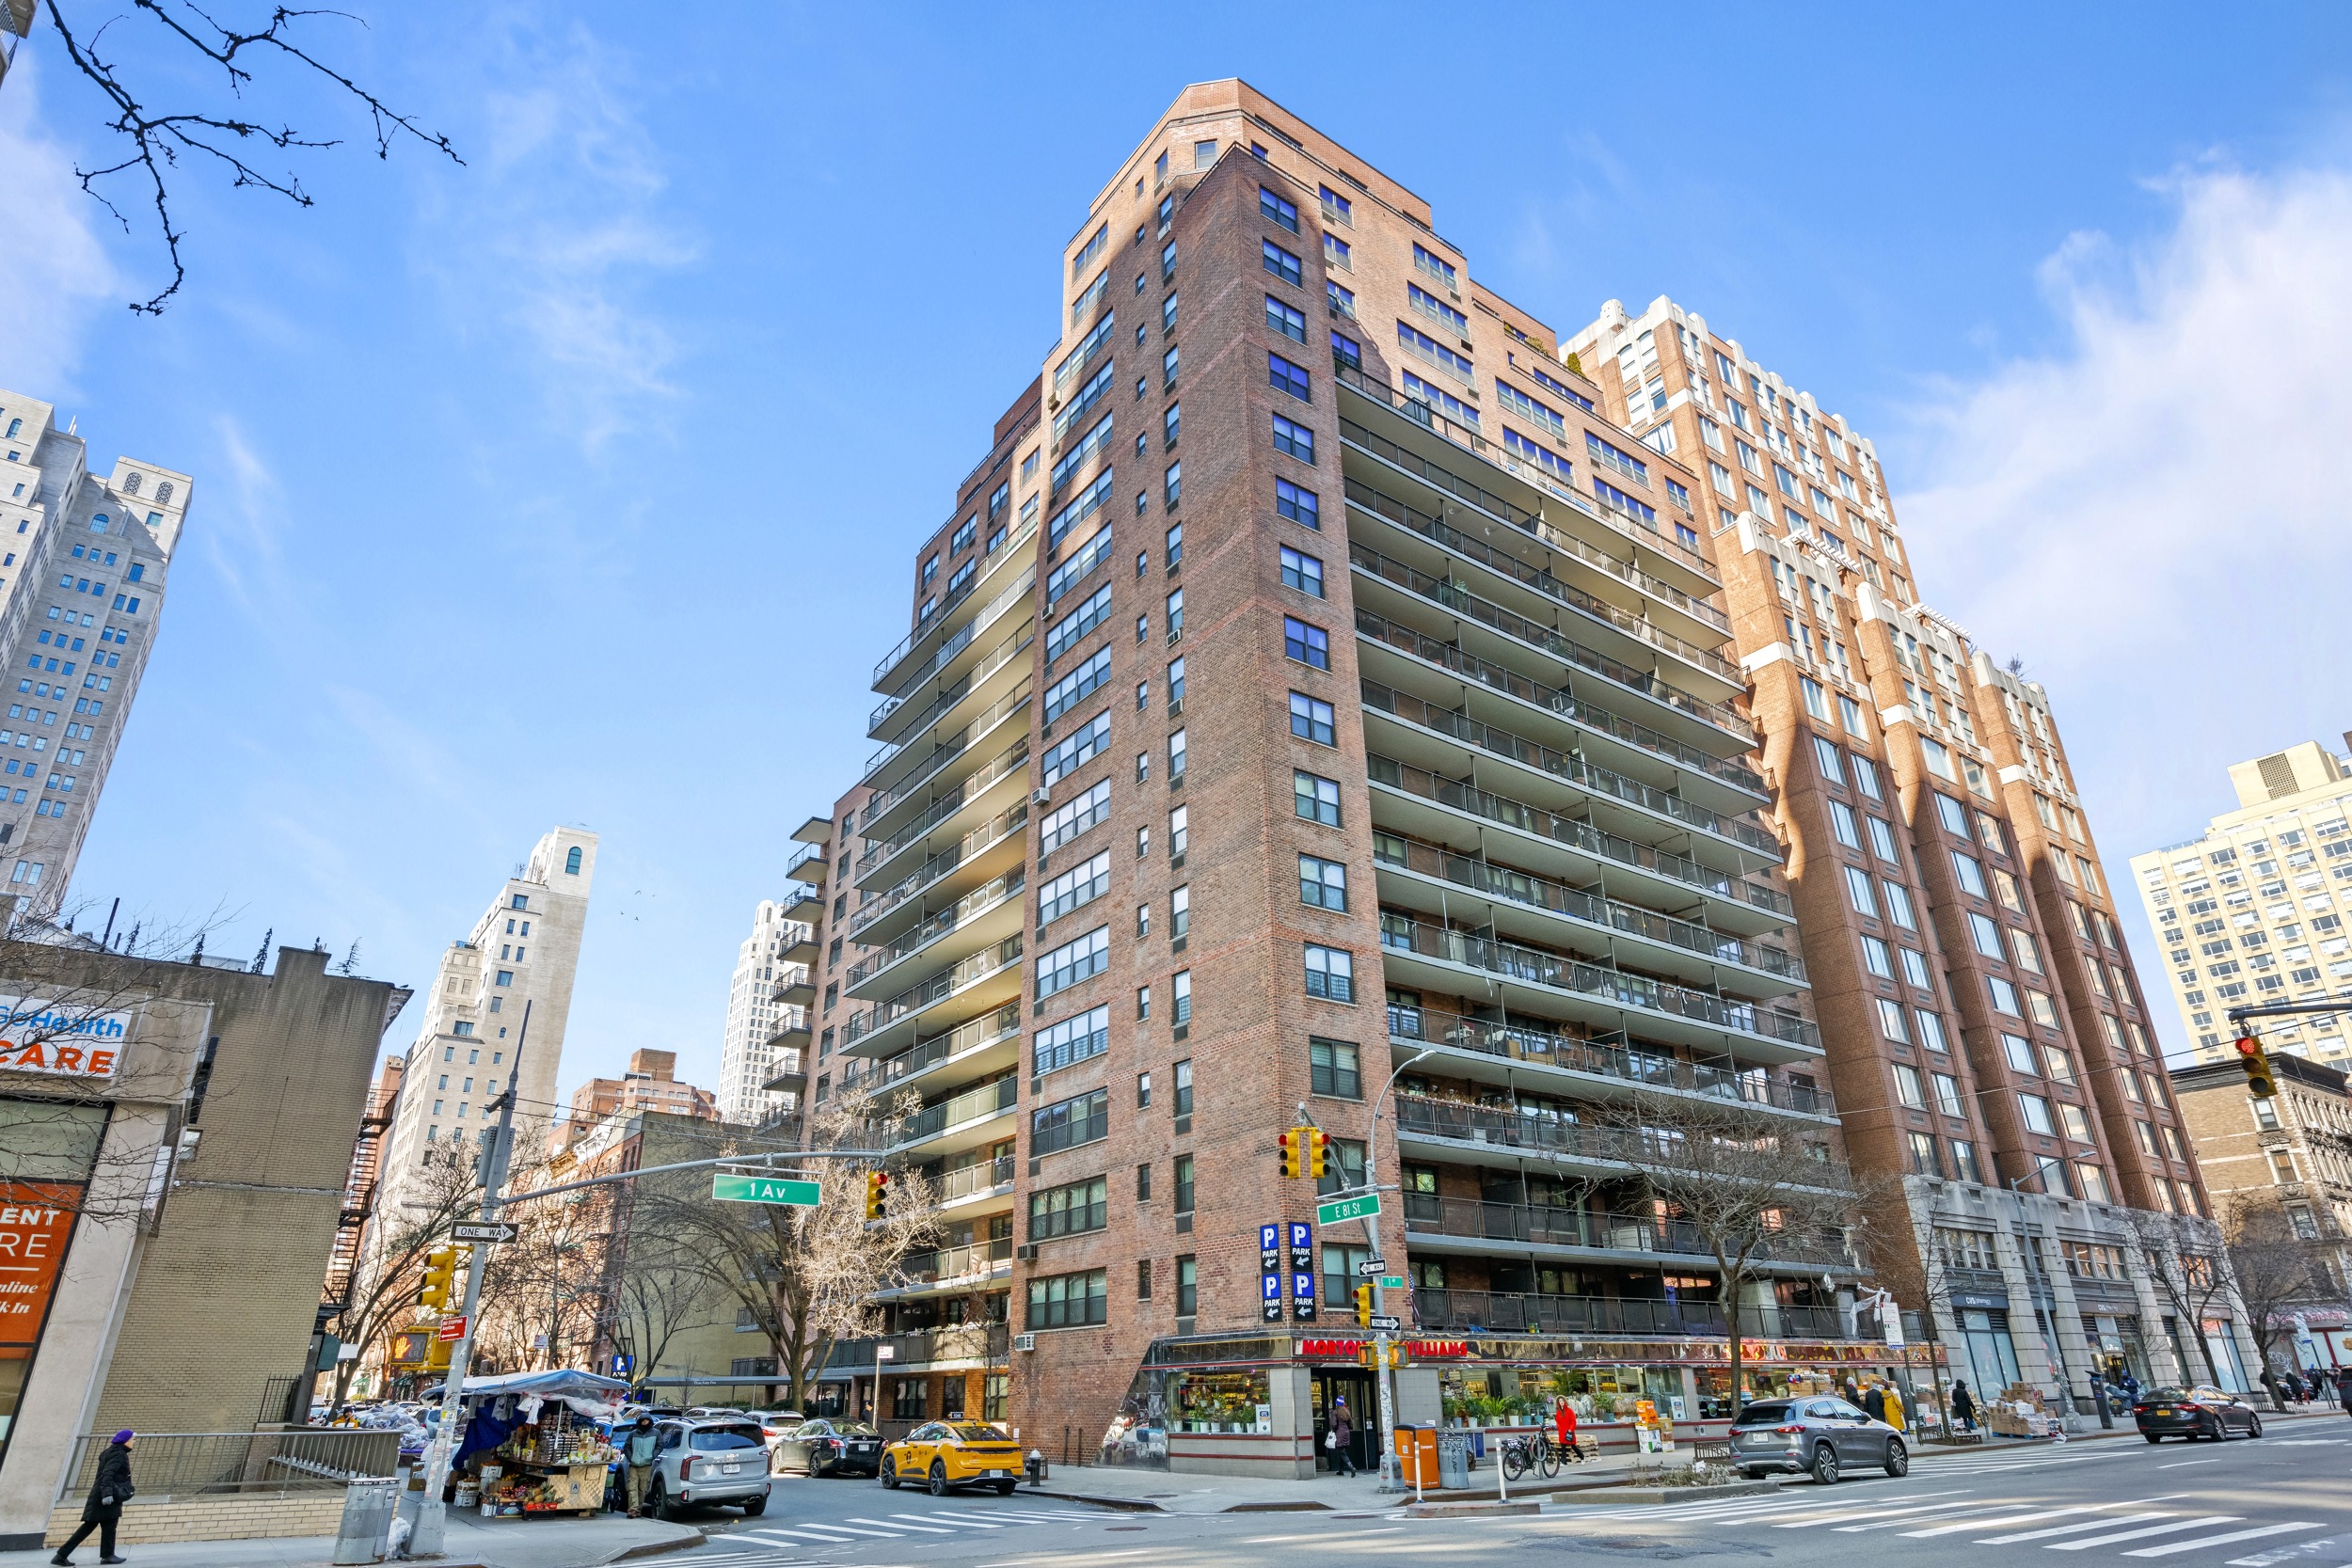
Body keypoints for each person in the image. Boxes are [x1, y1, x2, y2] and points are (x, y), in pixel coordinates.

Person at [52, 1430, 134, 1565]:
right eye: (132, 1439)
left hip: (101, 1495)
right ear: (126, 1440)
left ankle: (106, 1555)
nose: (134, 1442)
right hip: (106, 1496)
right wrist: (107, 1494)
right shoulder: (119, 1454)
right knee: (99, 1525)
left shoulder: (110, 1452)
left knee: (105, 1525)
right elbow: (107, 1474)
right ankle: (63, 1555)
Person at [623, 1416, 660, 1516]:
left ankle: (638, 1509)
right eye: (642, 1421)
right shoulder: (633, 1434)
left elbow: (660, 1445)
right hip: (634, 1465)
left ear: (649, 1421)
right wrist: (631, 1458)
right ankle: (633, 1509)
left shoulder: (656, 1433)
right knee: (632, 1487)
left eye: (646, 1420)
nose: (644, 1422)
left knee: (642, 1488)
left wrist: (652, 1456)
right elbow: (626, 1447)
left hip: (646, 1464)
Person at [1327, 1398, 1356, 1478]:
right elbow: (1350, 1424)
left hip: (1339, 1433)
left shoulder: (1335, 1412)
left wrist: (1334, 1431)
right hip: (1346, 1432)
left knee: (1342, 1452)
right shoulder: (1347, 1412)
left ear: (1337, 1404)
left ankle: (1351, 1467)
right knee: (1342, 1451)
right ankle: (1341, 1470)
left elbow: (1334, 1424)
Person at [1552, 1397, 1581, 1462]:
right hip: (1562, 1432)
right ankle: (1564, 1462)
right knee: (1563, 1447)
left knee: (1573, 1446)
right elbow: (1558, 1422)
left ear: (1565, 1401)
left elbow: (1573, 1422)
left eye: (1562, 1401)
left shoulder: (1569, 1411)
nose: (1561, 1402)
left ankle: (1581, 1456)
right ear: (1558, 1403)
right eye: (1560, 1401)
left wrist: (1570, 1429)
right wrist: (1559, 1427)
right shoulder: (1558, 1412)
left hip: (1569, 1432)